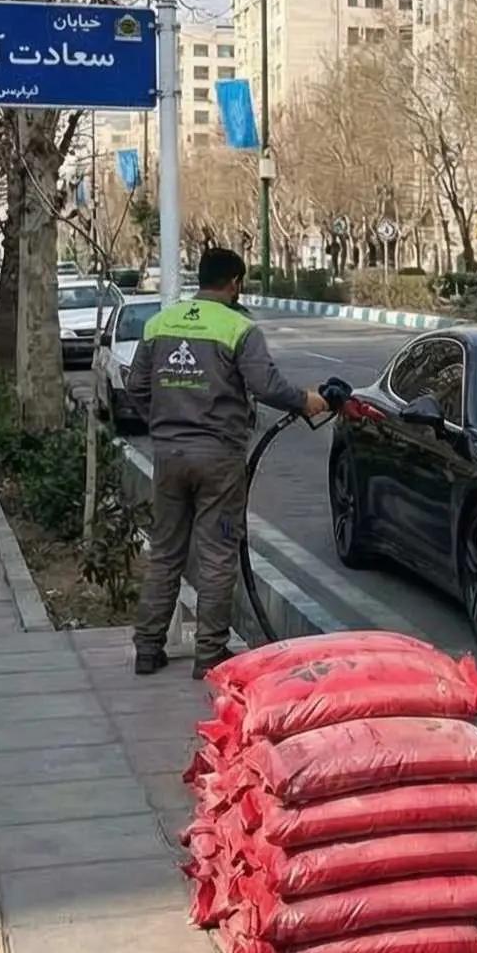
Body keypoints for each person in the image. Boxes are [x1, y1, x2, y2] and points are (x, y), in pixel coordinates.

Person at [125, 247, 327, 678]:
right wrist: (306, 401)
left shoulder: (160, 322)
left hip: (169, 455)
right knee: (217, 554)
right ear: (235, 282)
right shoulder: (239, 327)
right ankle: (209, 655)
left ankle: (147, 648)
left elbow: (136, 385)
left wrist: (163, 425)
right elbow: (265, 384)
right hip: (218, 457)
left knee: (165, 553)